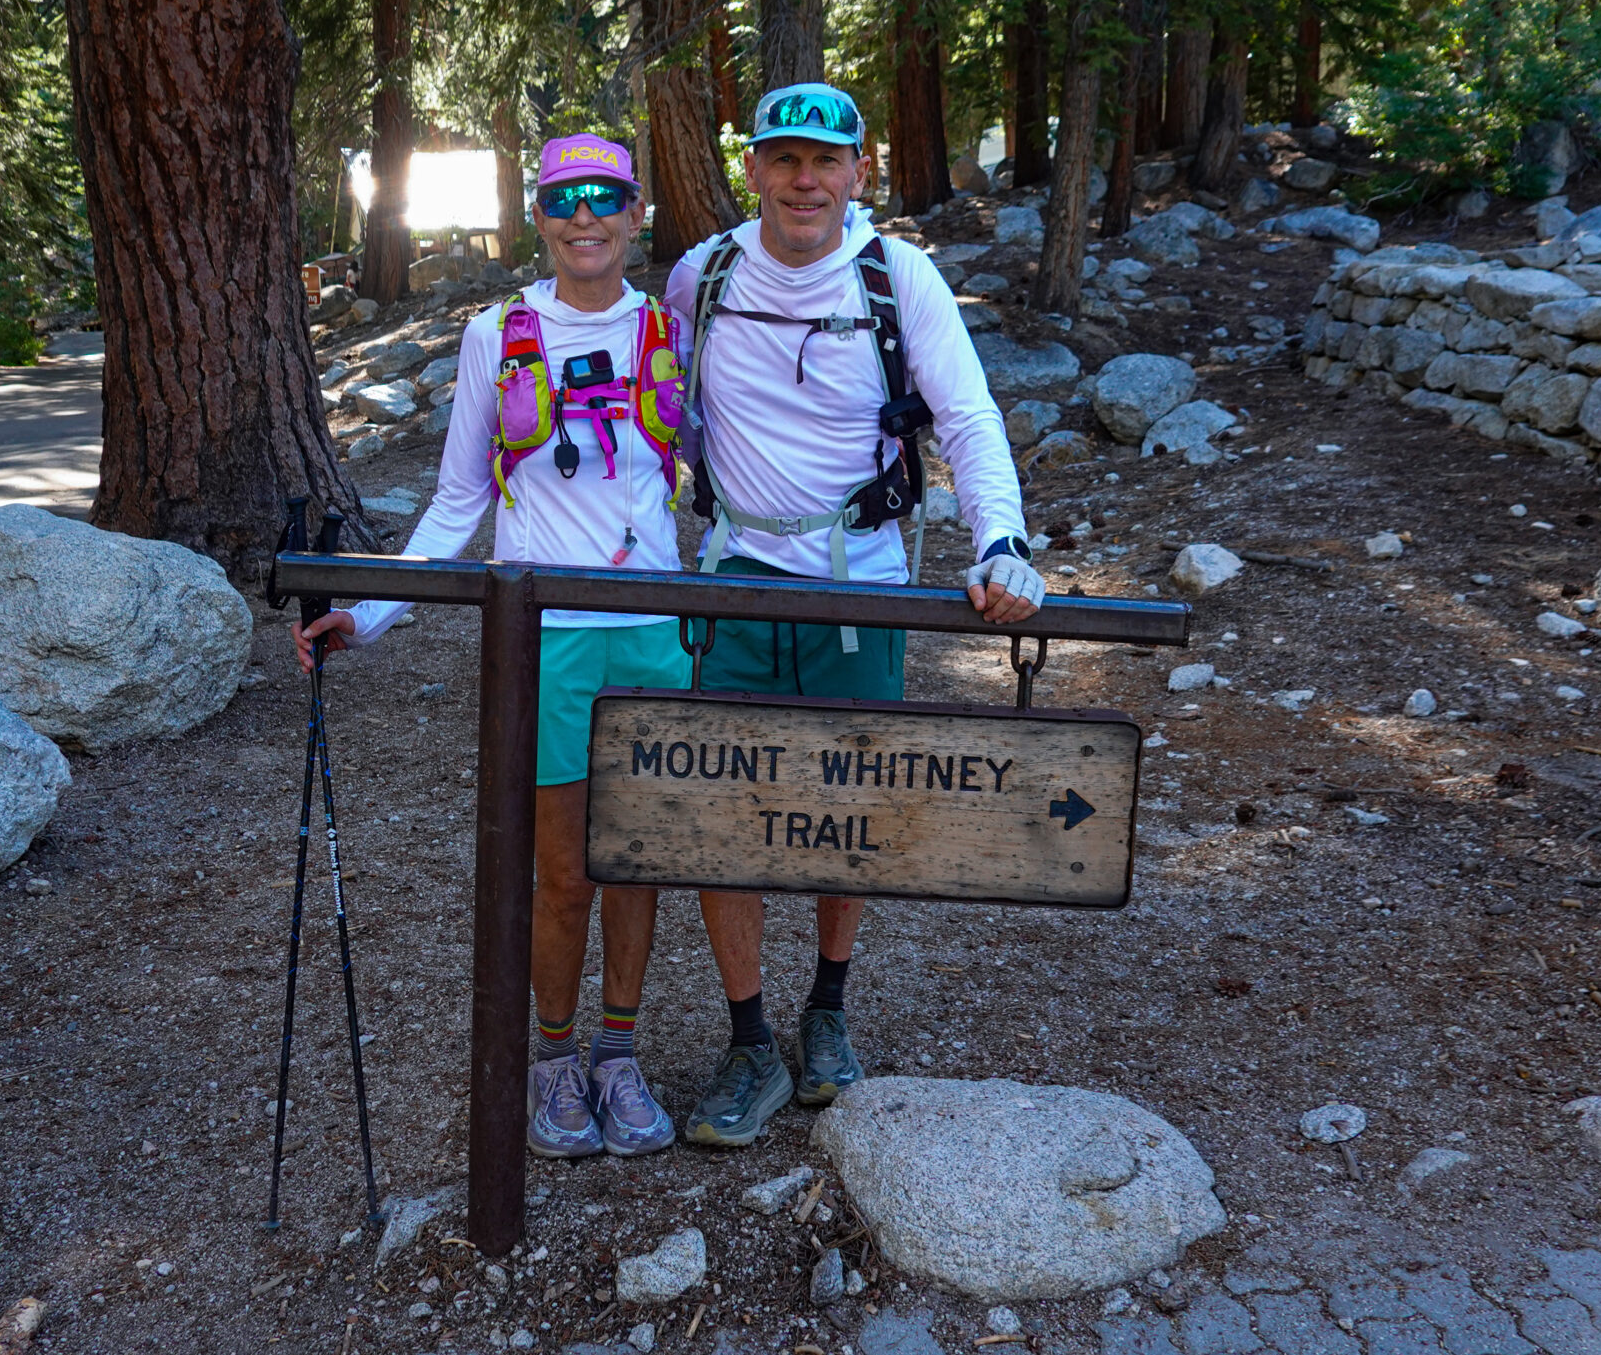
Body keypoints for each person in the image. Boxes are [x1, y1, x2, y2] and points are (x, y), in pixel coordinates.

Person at [663, 82, 1044, 1147]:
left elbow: (966, 415)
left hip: (860, 578)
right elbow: (667, 417)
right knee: (716, 816)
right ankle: (748, 1037)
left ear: (858, 174)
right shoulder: (705, 274)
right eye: (783, 159)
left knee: (853, 806)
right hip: (731, 573)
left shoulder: (895, 275)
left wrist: (1001, 542)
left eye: (825, 161)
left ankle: (826, 1008)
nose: (803, 180)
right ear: (752, 170)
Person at [296, 133, 687, 1160]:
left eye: (605, 197)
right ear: (540, 217)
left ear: (636, 212)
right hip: (545, 640)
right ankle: (552, 1057)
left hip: (653, 634)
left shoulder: (670, 325)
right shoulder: (497, 334)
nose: (585, 216)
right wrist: (371, 612)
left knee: (639, 860)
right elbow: (461, 495)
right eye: (564, 198)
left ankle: (618, 1053)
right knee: (563, 872)